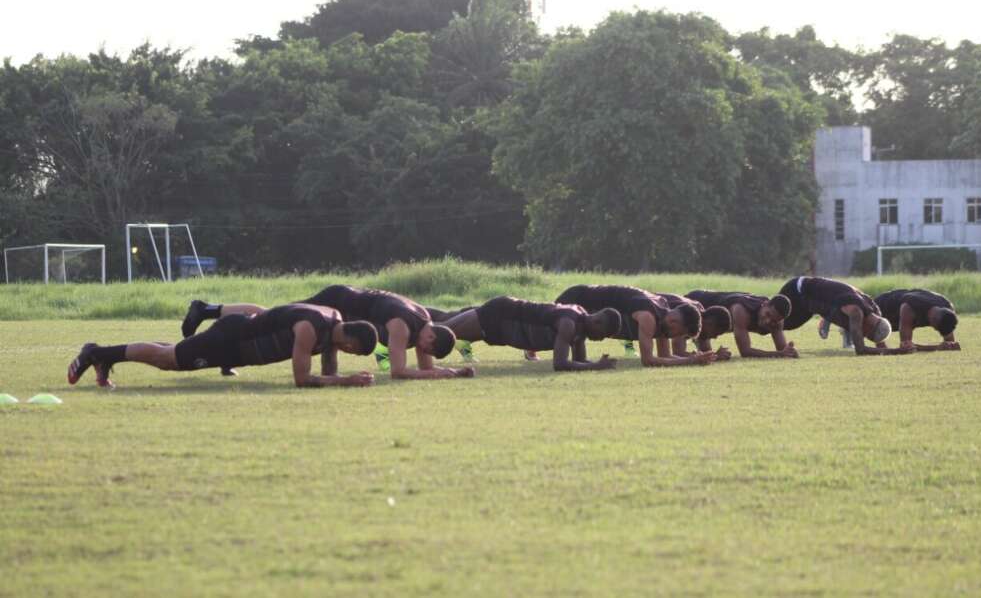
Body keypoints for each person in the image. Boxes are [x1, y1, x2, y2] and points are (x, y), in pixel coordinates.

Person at [182, 286, 473, 380]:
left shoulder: (425, 327)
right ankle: (208, 309)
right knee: (270, 317)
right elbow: (399, 372)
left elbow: (426, 368)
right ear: (430, 335)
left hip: (349, 306)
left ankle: (223, 345)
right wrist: (441, 373)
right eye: (429, 348)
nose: (425, 353)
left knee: (269, 317)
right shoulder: (402, 326)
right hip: (338, 301)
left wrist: (450, 372)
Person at [67, 303, 378, 389]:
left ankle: (106, 358)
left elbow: (328, 368)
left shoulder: (334, 321)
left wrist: (340, 381)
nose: (347, 353)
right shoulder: (312, 329)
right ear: (349, 339)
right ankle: (96, 352)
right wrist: (347, 381)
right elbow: (302, 380)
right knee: (169, 359)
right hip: (230, 340)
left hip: (239, 340)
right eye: (353, 349)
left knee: (172, 352)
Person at [443, 296, 622, 371]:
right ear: (597, 321)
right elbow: (560, 364)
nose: (600, 340)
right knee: (444, 332)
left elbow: (579, 362)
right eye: (603, 335)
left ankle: (418, 318)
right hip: (500, 315)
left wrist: (598, 364)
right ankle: (416, 327)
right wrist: (596, 366)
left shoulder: (581, 327)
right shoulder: (569, 324)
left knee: (445, 321)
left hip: (503, 320)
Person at [554, 285, 716, 367]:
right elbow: (648, 360)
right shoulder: (648, 317)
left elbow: (664, 357)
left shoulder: (663, 317)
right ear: (674, 321)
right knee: (545, 336)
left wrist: (693, 358)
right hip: (576, 298)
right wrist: (689, 361)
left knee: (576, 354)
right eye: (679, 333)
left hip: (583, 300)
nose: (675, 337)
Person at [777, 276, 905, 355]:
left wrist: (895, 351)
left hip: (814, 302)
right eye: (866, 334)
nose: (864, 336)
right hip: (797, 290)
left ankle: (827, 319)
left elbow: (880, 344)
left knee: (783, 324)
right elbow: (860, 350)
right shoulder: (856, 312)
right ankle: (759, 304)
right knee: (776, 321)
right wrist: (896, 351)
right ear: (870, 327)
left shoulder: (876, 313)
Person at [684, 290, 798, 359]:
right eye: (767, 314)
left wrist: (790, 351)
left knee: (708, 355)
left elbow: (783, 350)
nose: (768, 321)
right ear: (765, 304)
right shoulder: (741, 311)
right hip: (698, 302)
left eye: (774, 320)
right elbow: (745, 352)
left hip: (712, 318)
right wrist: (778, 355)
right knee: (706, 354)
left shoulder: (777, 321)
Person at [874, 288, 960, 351]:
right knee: (882, 349)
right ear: (933, 321)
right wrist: (937, 347)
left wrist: (951, 345)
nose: (935, 329)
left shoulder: (947, 309)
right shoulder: (909, 308)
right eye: (936, 328)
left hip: (904, 300)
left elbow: (949, 341)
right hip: (880, 308)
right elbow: (905, 346)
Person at [657, 292, 734, 361]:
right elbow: (678, 352)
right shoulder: (690, 318)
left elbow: (705, 350)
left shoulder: (700, 315)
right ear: (709, 323)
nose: (714, 337)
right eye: (716, 333)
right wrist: (713, 356)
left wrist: (714, 355)